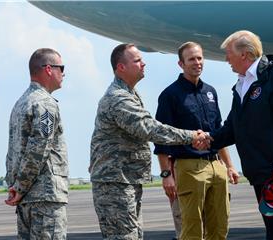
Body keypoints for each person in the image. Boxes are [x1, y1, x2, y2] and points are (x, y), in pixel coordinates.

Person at [89, 43, 209, 240]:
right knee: (124, 237)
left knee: (133, 235)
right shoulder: (118, 99)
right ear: (121, 68)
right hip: (115, 182)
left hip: (125, 179)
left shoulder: (129, 93)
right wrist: (191, 136)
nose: (143, 64)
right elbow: (150, 129)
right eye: (137, 60)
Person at [209, 30, 273, 240]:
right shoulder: (242, 84)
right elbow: (233, 126)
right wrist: (209, 140)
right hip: (262, 172)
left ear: (244, 54)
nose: (226, 59)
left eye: (229, 53)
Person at [154, 42, 239, 240]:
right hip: (189, 167)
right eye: (191, 59)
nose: (197, 62)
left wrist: (230, 166)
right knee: (192, 229)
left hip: (216, 166)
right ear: (180, 64)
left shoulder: (210, 91)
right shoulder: (170, 95)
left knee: (220, 227)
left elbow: (219, 133)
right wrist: (166, 174)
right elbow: (161, 138)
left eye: (200, 58)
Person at [5, 48, 68, 239]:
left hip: (25, 198)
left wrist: (16, 186)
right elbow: (39, 149)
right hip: (45, 198)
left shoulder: (21, 102)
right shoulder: (45, 103)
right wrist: (21, 187)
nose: (64, 73)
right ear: (49, 69)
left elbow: (11, 152)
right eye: (61, 67)